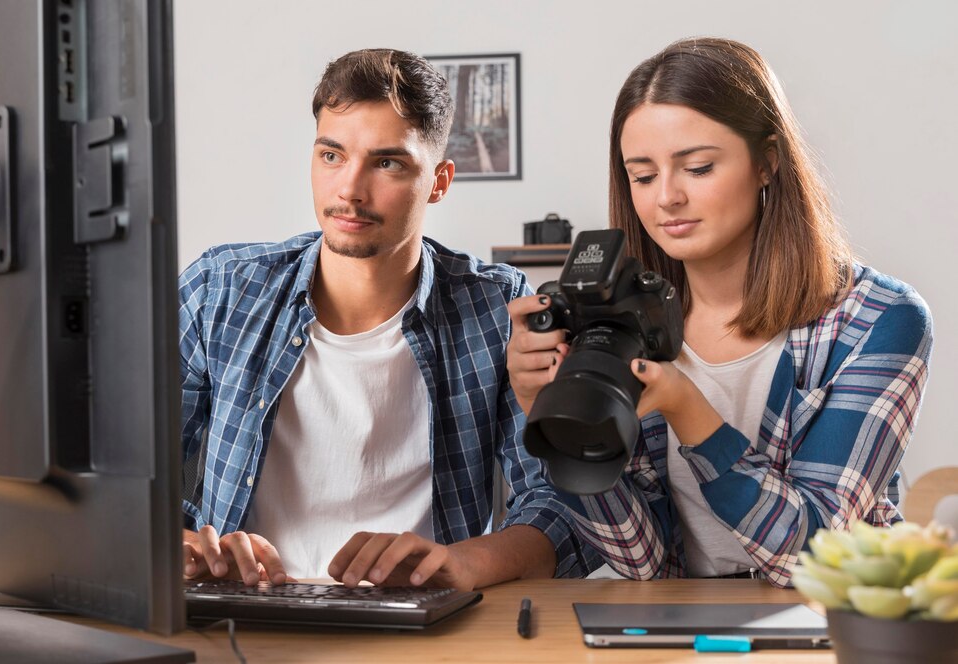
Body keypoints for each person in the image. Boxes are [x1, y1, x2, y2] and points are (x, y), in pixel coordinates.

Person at [506, 37, 933, 587]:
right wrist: (554, 418)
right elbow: (643, 560)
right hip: (682, 619)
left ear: (767, 162)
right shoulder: (624, 326)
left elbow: (814, 556)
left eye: (699, 168)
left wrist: (691, 412)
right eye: (642, 175)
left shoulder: (876, 319)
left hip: (834, 622)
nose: (667, 198)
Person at [177, 48, 599, 590]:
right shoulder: (221, 288)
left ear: (439, 182)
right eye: (332, 156)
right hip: (243, 615)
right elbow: (122, 471)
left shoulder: (496, 308)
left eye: (387, 163)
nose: (350, 190)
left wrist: (460, 564)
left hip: (426, 622)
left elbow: (561, 503)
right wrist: (184, 547)